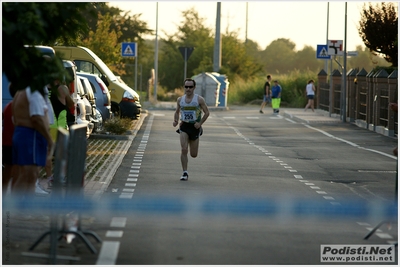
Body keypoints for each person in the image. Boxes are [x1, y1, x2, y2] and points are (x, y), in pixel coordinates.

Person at [11, 85, 54, 198]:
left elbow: (14, 117)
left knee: (27, 174)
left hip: (25, 134)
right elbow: (36, 118)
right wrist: (49, 139)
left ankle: (21, 208)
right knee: (29, 174)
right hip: (31, 135)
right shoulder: (33, 91)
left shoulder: (21, 90)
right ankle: (20, 209)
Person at [173, 78, 210, 181]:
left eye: (190, 87)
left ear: (194, 88)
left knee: (193, 154)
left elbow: (207, 112)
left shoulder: (199, 99)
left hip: (195, 127)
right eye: (186, 87)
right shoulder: (180, 100)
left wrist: (200, 123)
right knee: (184, 149)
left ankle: (192, 138)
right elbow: (177, 111)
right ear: (184, 87)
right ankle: (185, 172)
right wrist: (175, 120)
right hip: (184, 126)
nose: (188, 89)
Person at [44, 78, 74, 188]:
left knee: (48, 154)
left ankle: (49, 178)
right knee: (63, 155)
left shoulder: (45, 88)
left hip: (48, 125)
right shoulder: (62, 88)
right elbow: (71, 104)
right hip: (60, 127)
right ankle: (61, 178)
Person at [2, 83, 17, 194]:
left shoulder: (8, 106)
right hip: (14, 143)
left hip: (6, 142)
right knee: (16, 173)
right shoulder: (18, 107)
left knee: (7, 172)